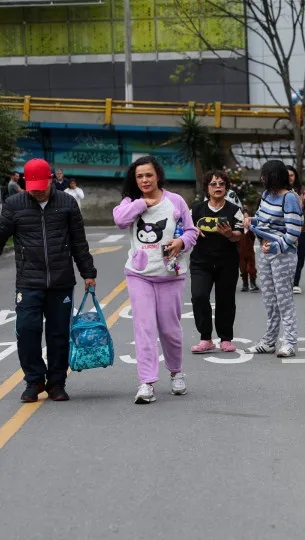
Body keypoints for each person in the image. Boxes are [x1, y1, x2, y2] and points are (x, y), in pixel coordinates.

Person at [0, 158, 97, 403]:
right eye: (32, 187)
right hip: (28, 281)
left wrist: (88, 273)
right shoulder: (14, 205)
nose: (37, 191)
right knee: (26, 331)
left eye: (41, 186)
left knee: (58, 334)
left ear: (51, 180)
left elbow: (79, 241)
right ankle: (34, 380)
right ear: (25, 182)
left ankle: (56, 383)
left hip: (61, 282)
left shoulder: (67, 203)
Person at [112, 155, 199, 404]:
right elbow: (120, 220)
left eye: (149, 175)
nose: (145, 180)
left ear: (158, 175)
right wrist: (141, 204)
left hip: (170, 275)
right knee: (144, 328)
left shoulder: (176, 201)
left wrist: (181, 242)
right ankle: (147, 383)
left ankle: (176, 372)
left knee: (170, 330)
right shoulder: (131, 202)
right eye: (139, 176)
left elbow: (192, 231)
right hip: (139, 275)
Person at [242, 159, 303, 358]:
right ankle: (269, 341)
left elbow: (294, 231)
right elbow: (262, 218)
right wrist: (251, 220)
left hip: (283, 255)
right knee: (269, 299)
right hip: (265, 252)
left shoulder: (290, 198)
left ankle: (289, 342)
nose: (262, 178)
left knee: (284, 300)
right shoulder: (267, 195)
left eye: (265, 175)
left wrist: (276, 246)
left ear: (274, 176)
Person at [189, 170, 244, 354]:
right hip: (201, 262)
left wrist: (229, 234)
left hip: (227, 262)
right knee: (199, 296)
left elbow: (239, 235)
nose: (218, 187)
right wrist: (192, 231)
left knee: (225, 300)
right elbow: (183, 229)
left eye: (221, 184)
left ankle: (225, 338)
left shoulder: (234, 211)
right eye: (213, 184)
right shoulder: (196, 210)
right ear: (207, 188)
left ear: (226, 187)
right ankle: (205, 338)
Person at [287, 165, 305, 294]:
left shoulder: (303, 192)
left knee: (300, 256)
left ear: (295, 176)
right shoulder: (278, 191)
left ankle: (295, 282)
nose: (289, 178)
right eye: (286, 175)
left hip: (301, 230)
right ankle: (285, 281)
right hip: (283, 229)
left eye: (291, 175)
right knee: (285, 256)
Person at [238, 209, 259, 292]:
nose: (245, 219)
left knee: (251, 268)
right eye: (243, 217)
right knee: (243, 268)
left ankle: (253, 283)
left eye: (246, 217)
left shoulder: (251, 228)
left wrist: (250, 228)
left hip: (250, 251)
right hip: (240, 252)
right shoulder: (238, 229)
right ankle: (245, 284)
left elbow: (253, 237)